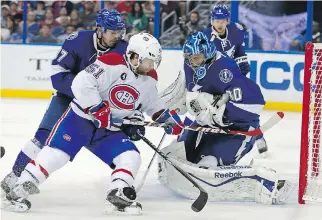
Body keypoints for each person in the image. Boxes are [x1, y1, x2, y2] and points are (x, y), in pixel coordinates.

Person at [2, 33, 183, 215]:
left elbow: (151, 103)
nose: (151, 67)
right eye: (147, 62)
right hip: (80, 120)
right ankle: (18, 191)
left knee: (130, 156)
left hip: (109, 130)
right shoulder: (111, 62)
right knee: (57, 154)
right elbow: (81, 83)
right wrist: (97, 108)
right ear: (134, 56)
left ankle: (118, 193)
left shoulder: (150, 77)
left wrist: (166, 118)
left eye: (154, 62)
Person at [1, 8, 127, 198]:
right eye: (112, 32)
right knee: (42, 137)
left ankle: (123, 181)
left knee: (114, 144)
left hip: (100, 107)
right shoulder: (77, 41)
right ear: (99, 30)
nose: (116, 36)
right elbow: (57, 74)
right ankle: (14, 175)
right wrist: (83, 94)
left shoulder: (123, 49)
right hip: (68, 98)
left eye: (119, 32)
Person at [157, 31, 294, 205]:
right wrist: (166, 114)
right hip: (205, 123)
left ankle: (261, 182)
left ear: (207, 54)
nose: (192, 62)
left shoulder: (225, 68)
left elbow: (256, 103)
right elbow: (179, 92)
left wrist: (222, 113)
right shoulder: (190, 64)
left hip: (236, 130)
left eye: (197, 58)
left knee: (208, 165)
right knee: (180, 152)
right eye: (190, 58)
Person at [203, 4, 268, 155]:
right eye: (216, 20)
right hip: (213, 80)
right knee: (214, 111)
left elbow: (239, 50)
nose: (219, 23)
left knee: (245, 107)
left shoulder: (235, 30)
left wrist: (242, 64)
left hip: (232, 76)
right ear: (212, 21)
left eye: (222, 20)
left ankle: (258, 136)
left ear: (227, 20)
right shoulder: (205, 37)